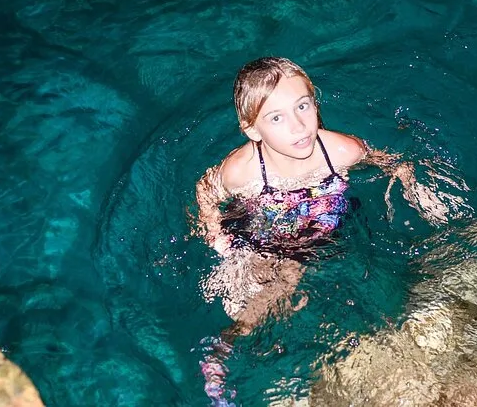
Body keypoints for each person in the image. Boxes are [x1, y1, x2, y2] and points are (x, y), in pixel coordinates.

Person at [195, 56, 458, 405]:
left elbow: (390, 161)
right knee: (258, 291)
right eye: (277, 118)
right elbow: (206, 191)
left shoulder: (340, 151)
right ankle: (225, 347)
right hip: (262, 233)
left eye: (303, 106)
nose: (298, 126)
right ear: (253, 130)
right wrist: (215, 234)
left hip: (325, 232)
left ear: (315, 103)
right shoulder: (241, 171)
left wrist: (413, 185)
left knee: (321, 281)